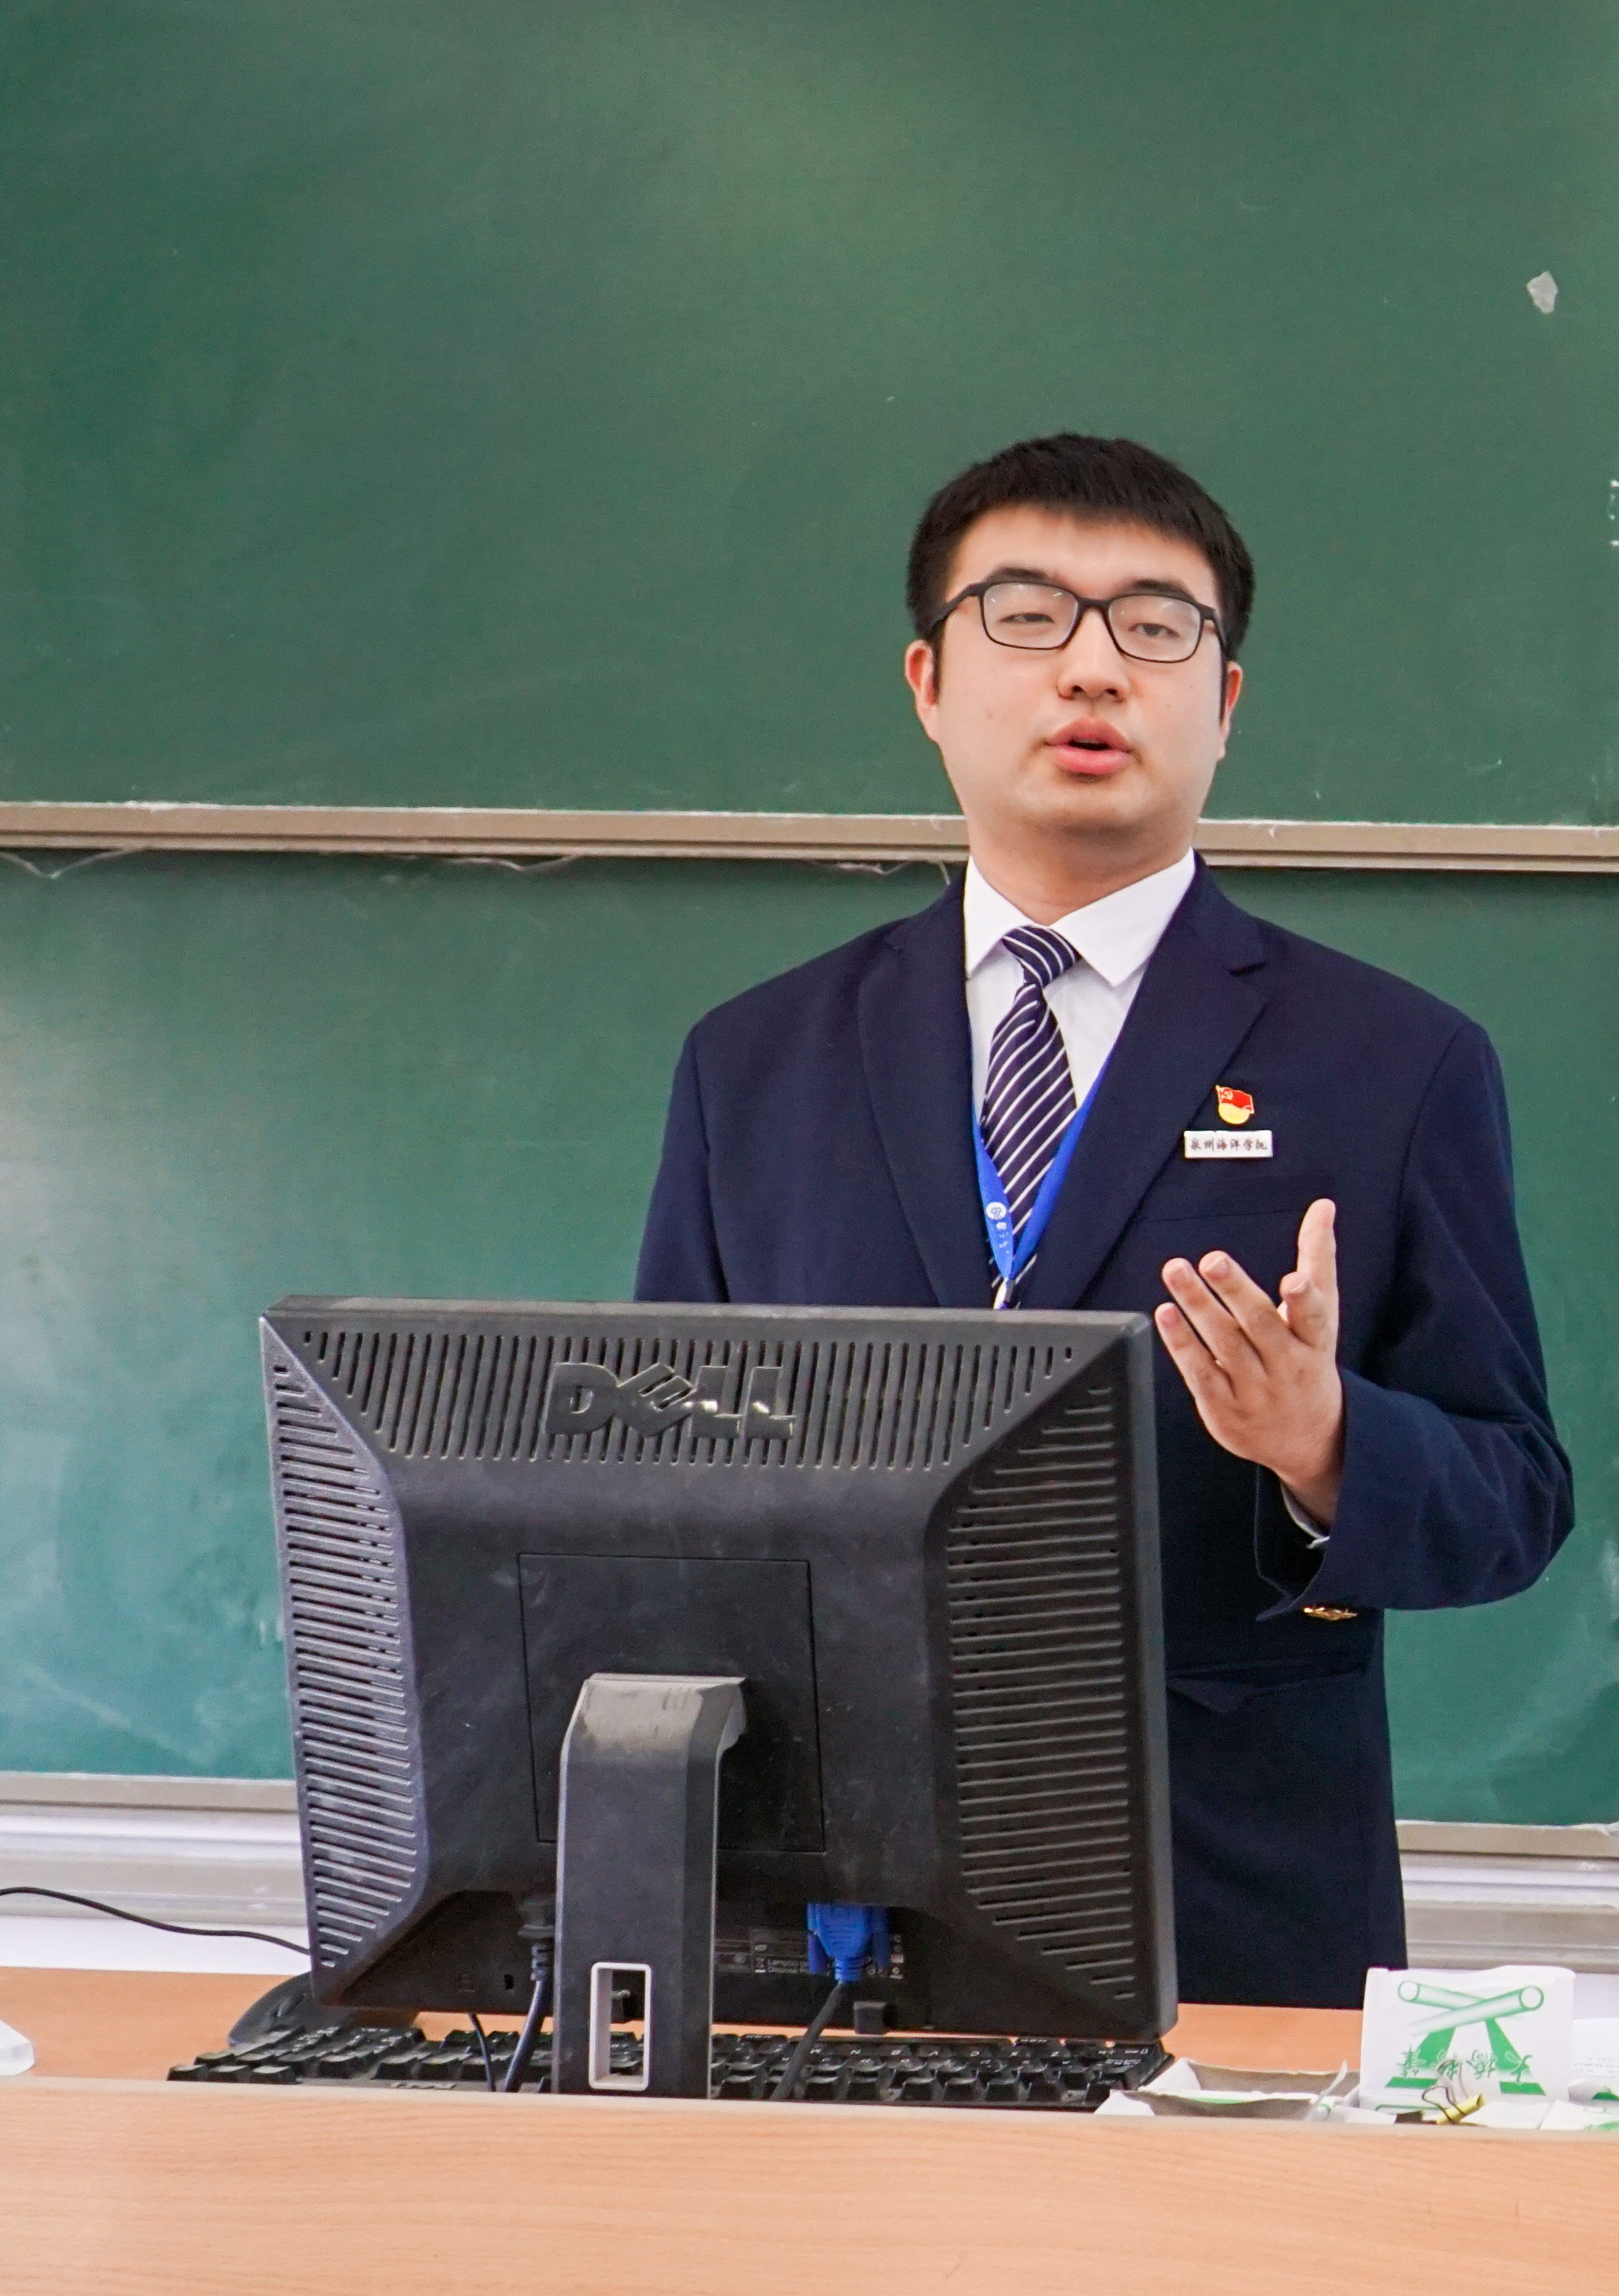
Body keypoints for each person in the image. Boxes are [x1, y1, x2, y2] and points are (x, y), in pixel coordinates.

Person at [636, 432, 1571, 2008]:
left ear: (1227, 701)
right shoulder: (756, 1063)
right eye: (1026, 617)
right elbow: (654, 1490)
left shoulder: (1393, 1062)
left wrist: (1325, 1440)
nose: (1091, 668)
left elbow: (1514, 1496)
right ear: (929, 682)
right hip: (821, 1927)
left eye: (1154, 625)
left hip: (1225, 1909)